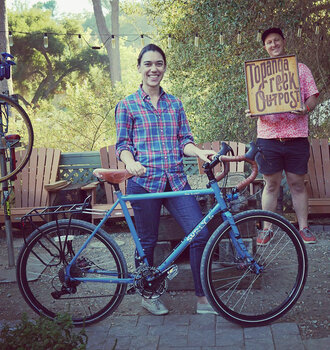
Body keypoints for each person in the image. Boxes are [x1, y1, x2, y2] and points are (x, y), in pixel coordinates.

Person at [115, 44, 217, 315]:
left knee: (200, 233)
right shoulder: (127, 105)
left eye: (159, 63)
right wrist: (131, 163)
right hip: (144, 183)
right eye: (148, 64)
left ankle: (203, 298)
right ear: (139, 67)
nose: (154, 69)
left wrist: (199, 152)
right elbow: (122, 145)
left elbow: (185, 140)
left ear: (164, 67)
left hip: (176, 181)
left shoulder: (175, 104)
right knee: (145, 242)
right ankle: (148, 296)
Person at [247, 28, 319, 245]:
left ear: (283, 42)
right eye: (269, 42)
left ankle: (303, 227)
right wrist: (252, 111)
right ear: (264, 47)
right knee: (270, 185)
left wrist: (305, 109)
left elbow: (313, 97)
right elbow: (255, 101)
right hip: (268, 138)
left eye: (276, 40)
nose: (273, 45)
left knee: (297, 183)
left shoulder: (301, 69)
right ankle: (266, 229)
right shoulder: (257, 73)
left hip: (296, 137)